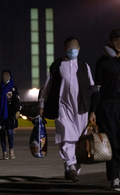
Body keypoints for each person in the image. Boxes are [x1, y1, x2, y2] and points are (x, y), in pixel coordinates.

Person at [39, 37, 94, 182]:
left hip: (81, 109)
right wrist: (41, 104)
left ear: (79, 49)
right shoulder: (57, 65)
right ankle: (71, 167)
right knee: (65, 137)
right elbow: (47, 87)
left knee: (78, 141)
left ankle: (73, 169)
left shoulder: (84, 66)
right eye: (70, 48)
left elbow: (92, 88)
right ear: (64, 49)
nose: (73, 51)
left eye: (75, 48)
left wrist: (93, 110)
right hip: (62, 107)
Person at [89, 29, 120, 190]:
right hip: (108, 108)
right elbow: (97, 89)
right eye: (118, 40)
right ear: (112, 41)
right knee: (113, 143)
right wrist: (93, 110)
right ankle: (115, 177)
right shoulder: (103, 61)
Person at [0, 70, 20, 160]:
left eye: (7, 75)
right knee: (2, 134)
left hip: (10, 113)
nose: (5, 77)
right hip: (0, 113)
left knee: (9, 132)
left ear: (10, 77)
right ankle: (4, 152)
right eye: (4, 75)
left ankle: (11, 150)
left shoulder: (13, 87)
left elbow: (17, 101)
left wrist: (17, 110)